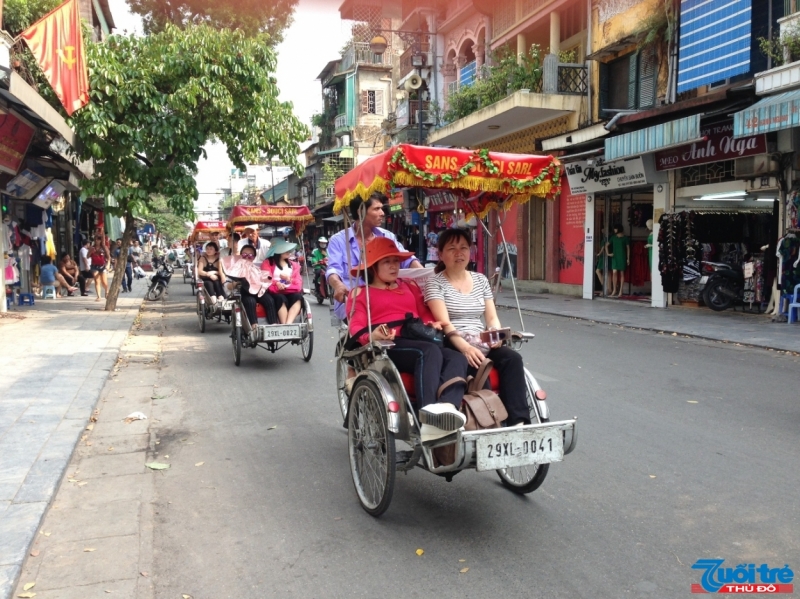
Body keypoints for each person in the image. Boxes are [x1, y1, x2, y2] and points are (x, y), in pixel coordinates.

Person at [346, 237, 467, 444]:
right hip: (388, 345)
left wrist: (432, 324)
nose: (394, 266)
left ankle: (447, 407)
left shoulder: (409, 286)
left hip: (418, 337)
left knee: (457, 357)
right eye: (387, 262)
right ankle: (427, 417)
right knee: (428, 352)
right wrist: (372, 335)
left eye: (396, 261)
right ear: (373, 267)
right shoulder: (361, 293)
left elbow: (424, 313)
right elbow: (355, 327)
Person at [425, 228, 530, 427]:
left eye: (464, 248)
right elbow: (445, 324)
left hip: (481, 339)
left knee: (512, 358)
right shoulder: (434, 283)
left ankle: (519, 422)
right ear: (440, 254)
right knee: (473, 361)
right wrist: (466, 348)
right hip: (453, 340)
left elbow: (491, 316)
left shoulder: (481, 279)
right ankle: (486, 422)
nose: (459, 253)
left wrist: (495, 333)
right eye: (452, 248)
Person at [327, 192, 422, 321]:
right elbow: (333, 270)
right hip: (353, 303)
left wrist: (424, 275)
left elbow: (407, 259)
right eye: (376, 209)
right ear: (361, 211)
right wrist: (338, 285)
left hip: (387, 300)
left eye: (381, 208)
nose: (382, 213)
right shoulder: (338, 240)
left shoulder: (387, 236)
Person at [225, 244, 277, 333]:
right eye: (245, 255)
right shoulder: (234, 268)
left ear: (254, 257)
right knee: (250, 301)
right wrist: (237, 281)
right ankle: (254, 326)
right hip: (245, 293)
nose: (247, 257)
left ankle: (273, 326)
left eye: (250, 255)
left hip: (259, 291)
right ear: (241, 255)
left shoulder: (257, 267)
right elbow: (228, 285)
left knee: (269, 300)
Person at [264, 239, 304, 324]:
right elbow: (265, 278)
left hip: (290, 290)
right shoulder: (267, 263)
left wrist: (289, 279)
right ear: (277, 251)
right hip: (275, 291)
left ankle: (288, 324)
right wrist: (277, 283)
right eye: (285, 249)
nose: (288, 252)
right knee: (280, 298)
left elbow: (298, 281)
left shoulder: (294, 265)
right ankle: (284, 324)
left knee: (298, 297)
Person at [607, 225, 630, 298]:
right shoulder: (613, 237)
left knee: (622, 273)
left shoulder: (625, 238)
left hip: (622, 257)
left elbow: (628, 248)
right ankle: (614, 290)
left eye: (615, 228)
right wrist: (608, 253)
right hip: (615, 257)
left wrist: (628, 258)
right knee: (614, 273)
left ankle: (620, 290)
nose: (614, 230)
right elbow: (606, 245)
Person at [88, 236, 110, 301]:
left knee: (104, 281)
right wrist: (90, 252)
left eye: (98, 239)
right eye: (95, 239)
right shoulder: (92, 248)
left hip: (103, 266)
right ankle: (99, 296)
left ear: (101, 240)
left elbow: (109, 257)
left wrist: (108, 264)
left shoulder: (104, 248)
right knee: (97, 281)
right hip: (94, 266)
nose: (97, 241)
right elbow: (87, 256)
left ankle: (107, 291)